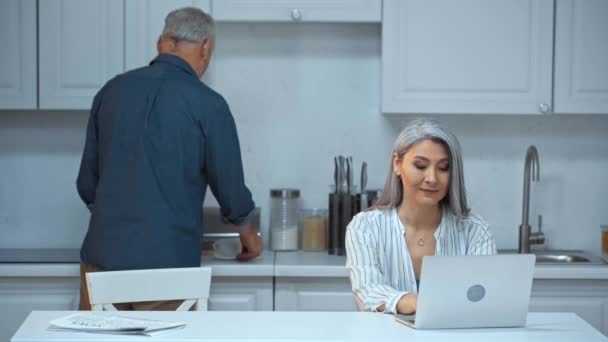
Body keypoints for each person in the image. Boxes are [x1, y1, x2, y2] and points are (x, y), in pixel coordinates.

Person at [76, 7, 262, 310]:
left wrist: (119, 223)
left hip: (101, 261)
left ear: (161, 43)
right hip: (166, 267)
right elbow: (230, 190)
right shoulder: (209, 104)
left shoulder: (110, 92)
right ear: (205, 48)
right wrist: (249, 235)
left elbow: (87, 184)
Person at [345, 118, 496, 315]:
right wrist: (416, 303)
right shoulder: (364, 227)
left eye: (443, 168)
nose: (432, 178)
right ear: (397, 164)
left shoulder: (475, 231)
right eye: (420, 165)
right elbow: (368, 292)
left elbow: (484, 297)